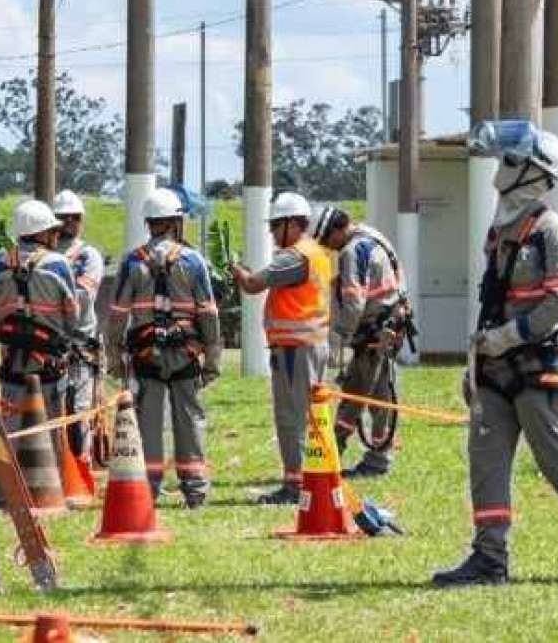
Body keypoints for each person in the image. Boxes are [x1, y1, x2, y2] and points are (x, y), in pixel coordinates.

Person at [433, 121, 558, 588]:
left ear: (532, 173)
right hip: (495, 368)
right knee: (486, 459)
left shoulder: (550, 229)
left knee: (555, 456)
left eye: (508, 162)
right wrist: (479, 362)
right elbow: (493, 299)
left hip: (536, 363)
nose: (497, 172)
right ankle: (489, 557)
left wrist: (510, 336)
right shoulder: (500, 230)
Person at [103, 186, 220, 508]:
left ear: (149, 223)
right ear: (175, 222)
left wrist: (114, 357)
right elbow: (209, 314)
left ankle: (149, 490)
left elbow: (117, 316)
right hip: (185, 355)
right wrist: (212, 359)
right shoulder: (193, 260)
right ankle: (195, 491)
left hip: (146, 355)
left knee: (148, 423)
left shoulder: (132, 262)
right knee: (190, 420)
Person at [229, 190, 332, 504]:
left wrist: (235, 269)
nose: (272, 233)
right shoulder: (315, 252)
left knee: (291, 417)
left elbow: (252, 285)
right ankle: (305, 478)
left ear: (292, 224)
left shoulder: (295, 256)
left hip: (294, 349)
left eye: (275, 226)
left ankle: (295, 485)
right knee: (305, 415)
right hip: (309, 344)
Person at [311, 204, 411, 478]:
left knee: (353, 395)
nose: (327, 248)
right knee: (380, 396)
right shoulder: (373, 236)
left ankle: (330, 457)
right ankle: (379, 458)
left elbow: (354, 303)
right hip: (389, 326)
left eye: (325, 240)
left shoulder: (351, 252)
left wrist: (342, 336)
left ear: (335, 230)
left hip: (372, 332)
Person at [0, 199, 82, 480]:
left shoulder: (0, 262)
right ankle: (54, 484)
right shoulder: (59, 264)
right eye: (52, 231)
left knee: (10, 424)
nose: (56, 235)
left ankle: (5, 487)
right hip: (49, 360)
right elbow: (71, 312)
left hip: (13, 359)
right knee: (53, 424)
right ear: (41, 233)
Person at [47, 190, 106, 465]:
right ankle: (51, 464)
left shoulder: (87, 255)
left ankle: (80, 464)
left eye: (75, 218)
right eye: (63, 218)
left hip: (79, 343)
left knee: (79, 406)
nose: (69, 222)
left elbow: (84, 297)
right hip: (45, 343)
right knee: (47, 406)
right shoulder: (42, 254)